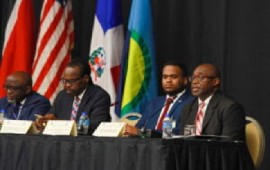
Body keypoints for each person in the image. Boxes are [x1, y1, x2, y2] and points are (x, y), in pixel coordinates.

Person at [35, 60, 111, 135]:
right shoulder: (62, 95)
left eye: (72, 81)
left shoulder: (100, 97)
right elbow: (51, 116)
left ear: (86, 79)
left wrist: (58, 124)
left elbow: (95, 128)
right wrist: (44, 122)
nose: (67, 85)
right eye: (65, 81)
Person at [124, 61, 194, 136]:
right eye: (165, 77)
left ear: (185, 80)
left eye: (173, 77)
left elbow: (181, 132)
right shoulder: (154, 103)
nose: (168, 80)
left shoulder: (191, 103)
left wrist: (143, 133)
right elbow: (138, 127)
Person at [179, 63, 246, 140]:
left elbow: (228, 145)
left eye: (201, 77)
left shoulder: (230, 108)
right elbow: (183, 141)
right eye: (193, 77)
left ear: (215, 81)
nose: (194, 82)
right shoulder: (188, 108)